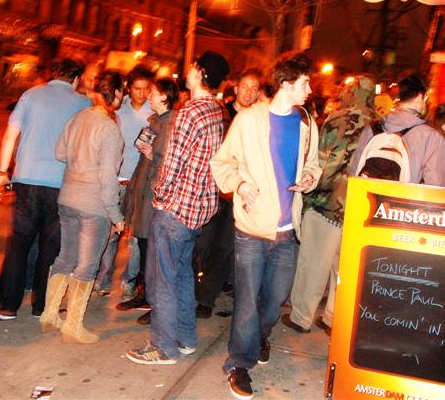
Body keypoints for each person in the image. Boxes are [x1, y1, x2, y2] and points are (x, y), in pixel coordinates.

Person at [210, 53, 321, 400]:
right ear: (286, 84)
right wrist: (240, 184)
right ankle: (238, 363)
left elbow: (314, 164)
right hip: (252, 229)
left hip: (288, 231)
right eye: (305, 83)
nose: (309, 90)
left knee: (274, 301)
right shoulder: (248, 120)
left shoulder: (307, 123)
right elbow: (222, 163)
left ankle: (259, 336)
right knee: (246, 301)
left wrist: (309, 178)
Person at [126, 51, 229, 365]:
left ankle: (163, 347)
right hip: (198, 210)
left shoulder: (190, 112)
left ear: (199, 73)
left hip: (176, 209)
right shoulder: (216, 110)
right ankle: (184, 338)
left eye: (193, 66)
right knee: (182, 275)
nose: (189, 70)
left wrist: (159, 197)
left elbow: (172, 164)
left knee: (162, 279)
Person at [0, 58, 89, 320]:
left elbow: (10, 135)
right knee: (51, 246)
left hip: (27, 179)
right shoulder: (84, 104)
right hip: (61, 184)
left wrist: (2, 173)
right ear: (76, 79)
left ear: (52, 74)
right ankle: (43, 305)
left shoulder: (31, 95)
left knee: (19, 242)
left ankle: (7, 305)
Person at [284, 75, 376, 337]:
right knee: (343, 267)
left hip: (328, 203)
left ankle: (301, 317)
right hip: (359, 207)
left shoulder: (338, 119)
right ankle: (333, 318)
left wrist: (309, 198)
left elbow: (320, 162)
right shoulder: (379, 124)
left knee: (313, 263)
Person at [38, 71, 125, 343]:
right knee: (87, 265)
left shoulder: (78, 118)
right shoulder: (109, 128)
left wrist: (79, 160)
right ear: (117, 94)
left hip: (68, 197)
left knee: (65, 257)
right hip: (92, 204)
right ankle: (73, 326)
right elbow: (108, 177)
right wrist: (116, 214)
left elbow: (59, 153)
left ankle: (49, 315)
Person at [194, 67, 263, 320]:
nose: (249, 92)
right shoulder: (221, 113)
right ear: (236, 88)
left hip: (237, 194)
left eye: (254, 88)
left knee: (223, 247)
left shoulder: (258, 120)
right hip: (211, 190)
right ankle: (192, 289)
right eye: (245, 87)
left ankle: (205, 298)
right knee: (200, 244)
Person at [116, 78, 179, 324]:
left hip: (155, 196)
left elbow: (170, 162)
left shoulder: (171, 123)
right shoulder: (156, 120)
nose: (148, 96)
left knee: (153, 250)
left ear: (164, 96)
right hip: (143, 191)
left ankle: (156, 303)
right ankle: (144, 294)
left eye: (153, 92)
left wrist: (153, 155)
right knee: (143, 246)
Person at [95, 66, 153, 297]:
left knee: (135, 238)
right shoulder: (118, 109)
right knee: (109, 234)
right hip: (116, 180)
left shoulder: (153, 112)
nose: (142, 93)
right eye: (138, 88)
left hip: (139, 182)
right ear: (129, 88)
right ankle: (103, 278)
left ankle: (129, 281)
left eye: (146, 89)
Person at [348, 71, 445, 187]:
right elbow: (437, 187)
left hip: (369, 196)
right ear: (420, 96)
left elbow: (354, 173)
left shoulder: (373, 128)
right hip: (405, 198)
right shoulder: (431, 136)